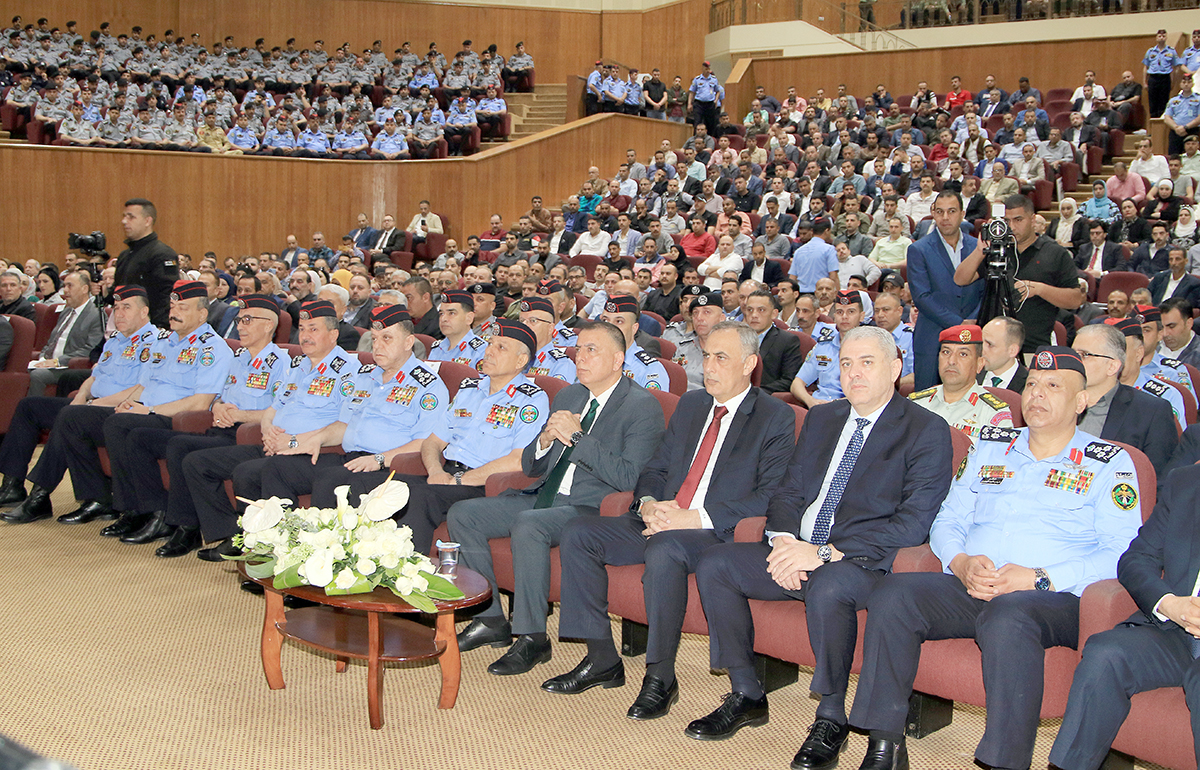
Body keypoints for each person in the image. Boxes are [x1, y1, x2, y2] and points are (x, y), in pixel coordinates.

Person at [848, 346, 1143, 770]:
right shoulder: (991, 446)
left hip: (1055, 599)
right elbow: (948, 518)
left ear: (1081, 401)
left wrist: (1038, 577)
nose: (1037, 394)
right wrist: (960, 561)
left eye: (1053, 386)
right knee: (894, 593)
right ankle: (885, 744)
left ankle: (1004, 761)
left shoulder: (1109, 464)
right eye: (1032, 384)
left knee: (1009, 615)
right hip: (975, 583)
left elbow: (1121, 555)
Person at [691, 324, 951, 758]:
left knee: (829, 585)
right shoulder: (823, 417)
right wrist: (783, 542)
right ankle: (746, 692)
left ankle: (831, 716)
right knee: (717, 564)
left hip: (863, 562)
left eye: (866, 363)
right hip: (800, 546)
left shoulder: (925, 429)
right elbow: (789, 492)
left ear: (895, 368)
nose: (854, 373)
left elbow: (913, 524)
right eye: (846, 364)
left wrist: (824, 553)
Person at [544, 321, 794, 718]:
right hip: (663, 517)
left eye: (721, 358)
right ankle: (602, 657)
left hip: (715, 530)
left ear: (749, 364)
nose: (708, 366)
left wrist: (693, 518)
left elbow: (769, 494)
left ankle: (660, 676)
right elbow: (655, 468)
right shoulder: (692, 405)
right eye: (706, 356)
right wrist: (646, 503)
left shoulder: (774, 416)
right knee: (579, 532)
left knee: (664, 548)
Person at [450, 320, 665, 675]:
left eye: (591, 350)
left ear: (617, 360)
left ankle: (532, 636)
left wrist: (578, 439)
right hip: (544, 495)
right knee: (463, 514)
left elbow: (630, 477)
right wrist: (545, 440)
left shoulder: (642, 406)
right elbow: (531, 466)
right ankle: (490, 619)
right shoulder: (569, 395)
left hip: (590, 507)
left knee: (529, 524)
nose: (580, 357)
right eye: (579, 349)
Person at [6, 281, 234, 527]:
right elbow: (142, 386)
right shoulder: (166, 343)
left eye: (183, 308)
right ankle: (93, 499)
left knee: (111, 423)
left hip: (171, 417)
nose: (174, 312)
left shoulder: (212, 348)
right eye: (172, 306)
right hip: (143, 409)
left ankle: (134, 510)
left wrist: (146, 410)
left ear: (202, 314)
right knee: (72, 418)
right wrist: (127, 402)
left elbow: (201, 402)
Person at [105, 294, 291, 555]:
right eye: (239, 320)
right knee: (148, 440)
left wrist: (241, 416)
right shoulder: (238, 359)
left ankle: (204, 529)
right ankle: (170, 521)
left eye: (248, 320)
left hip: (246, 436)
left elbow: (281, 412)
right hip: (220, 429)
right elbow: (216, 399)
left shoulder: (281, 363)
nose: (240, 326)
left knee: (186, 452)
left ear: (269, 325)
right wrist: (219, 407)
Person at [172, 299, 357, 555]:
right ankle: (233, 534)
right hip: (275, 444)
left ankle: (273, 547)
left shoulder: (349, 371)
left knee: (248, 472)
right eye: (302, 329)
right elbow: (273, 409)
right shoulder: (299, 366)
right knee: (197, 462)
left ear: (334, 334)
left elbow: (345, 424)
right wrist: (268, 430)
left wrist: (293, 441)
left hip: (311, 450)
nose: (305, 336)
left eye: (313, 329)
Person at [1049, 459, 1200, 770]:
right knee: (1106, 653)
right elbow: (1136, 559)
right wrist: (1169, 604)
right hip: (1177, 628)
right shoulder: (1186, 482)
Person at [0, 285, 155, 519]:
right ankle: (12, 485)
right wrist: (82, 396)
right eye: (116, 308)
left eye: (127, 307)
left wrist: (92, 405)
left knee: (69, 417)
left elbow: (140, 390)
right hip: (93, 405)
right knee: (29, 407)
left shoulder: (155, 343)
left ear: (144, 312)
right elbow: (94, 376)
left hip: (121, 411)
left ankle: (39, 496)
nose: (119, 313)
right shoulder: (116, 340)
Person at [954, 194, 1078, 354]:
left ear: (1032, 220)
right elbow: (960, 279)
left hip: (1033, 345)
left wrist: (1040, 289)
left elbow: (1075, 300)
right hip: (994, 347)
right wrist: (980, 250)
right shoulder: (998, 250)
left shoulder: (1054, 252)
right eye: (1007, 221)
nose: (1012, 226)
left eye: (1018, 220)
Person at [1073, 323, 1177, 478]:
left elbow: (1157, 479)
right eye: (1073, 354)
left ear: (1112, 366)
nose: (1074, 361)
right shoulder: (1055, 401)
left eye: (1085, 355)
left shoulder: (1151, 412)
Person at [908, 190, 982, 389]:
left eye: (952, 211)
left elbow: (987, 291)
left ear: (962, 213)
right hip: (931, 338)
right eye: (940, 212)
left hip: (974, 335)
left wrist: (973, 320)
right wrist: (959, 324)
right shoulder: (918, 249)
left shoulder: (979, 247)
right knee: (926, 400)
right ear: (933, 213)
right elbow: (922, 297)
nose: (945, 217)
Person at [908, 324, 1014, 443]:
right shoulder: (914, 405)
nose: (951, 361)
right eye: (946, 352)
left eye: (963, 354)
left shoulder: (993, 414)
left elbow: (998, 454)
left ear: (979, 364)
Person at [26, 269, 104, 396]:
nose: (65, 290)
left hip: (69, 366)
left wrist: (57, 361)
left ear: (84, 289)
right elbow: (52, 341)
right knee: (21, 369)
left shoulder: (96, 315)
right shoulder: (66, 312)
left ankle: (34, 408)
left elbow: (90, 348)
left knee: (38, 375)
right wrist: (43, 357)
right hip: (50, 363)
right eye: (64, 286)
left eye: (70, 286)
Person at [791, 290, 866, 407]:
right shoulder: (823, 346)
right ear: (834, 316)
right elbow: (797, 383)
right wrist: (810, 401)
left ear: (861, 316)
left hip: (852, 407)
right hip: (819, 406)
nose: (844, 317)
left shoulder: (870, 348)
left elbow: (874, 389)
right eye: (840, 312)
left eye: (851, 312)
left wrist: (835, 405)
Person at [113, 198, 179, 328]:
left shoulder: (162, 254)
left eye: (131, 217)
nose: (124, 221)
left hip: (150, 329)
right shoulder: (125, 256)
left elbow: (166, 298)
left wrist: (157, 331)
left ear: (147, 221)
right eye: (124, 216)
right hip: (125, 327)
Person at [596, 295, 668, 390]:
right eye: (605, 320)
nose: (610, 328)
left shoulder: (649, 370)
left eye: (619, 321)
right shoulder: (590, 359)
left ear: (634, 328)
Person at [742, 289, 802, 393]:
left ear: (774, 314)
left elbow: (789, 380)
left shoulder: (787, 341)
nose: (754, 315)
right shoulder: (736, 338)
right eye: (750, 310)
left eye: (761, 310)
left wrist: (754, 393)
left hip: (764, 395)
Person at [670, 288, 727, 391]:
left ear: (722, 318)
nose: (699, 318)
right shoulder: (683, 347)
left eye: (707, 312)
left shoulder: (730, 351)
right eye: (695, 313)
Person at [426, 290, 486, 370]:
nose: (443, 319)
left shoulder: (481, 351)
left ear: (469, 318)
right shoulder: (437, 348)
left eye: (452, 313)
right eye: (441, 314)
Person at [977, 316, 1028, 391]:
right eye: (981, 342)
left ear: (1012, 351)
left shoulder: (1028, 386)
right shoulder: (969, 375)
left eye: (990, 345)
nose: (981, 350)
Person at [1159, 296, 1200, 367]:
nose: (1165, 334)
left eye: (1171, 326)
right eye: (1161, 327)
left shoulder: (1197, 355)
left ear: (1189, 323)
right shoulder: (1151, 346)